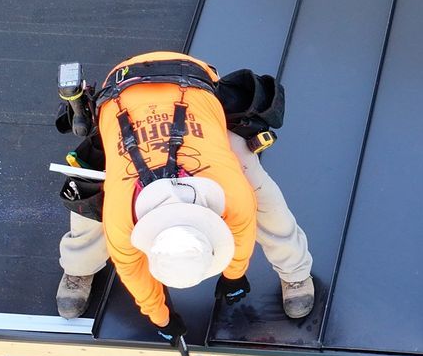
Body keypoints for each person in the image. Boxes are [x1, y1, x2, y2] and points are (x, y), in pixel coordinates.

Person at [53, 50, 313, 338]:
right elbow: (131, 271)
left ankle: (296, 273)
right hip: (123, 88)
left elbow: (242, 231)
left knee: (262, 196)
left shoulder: (231, 193)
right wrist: (159, 315)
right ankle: (79, 267)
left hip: (190, 83)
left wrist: (234, 275)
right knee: (86, 194)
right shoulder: (121, 214)